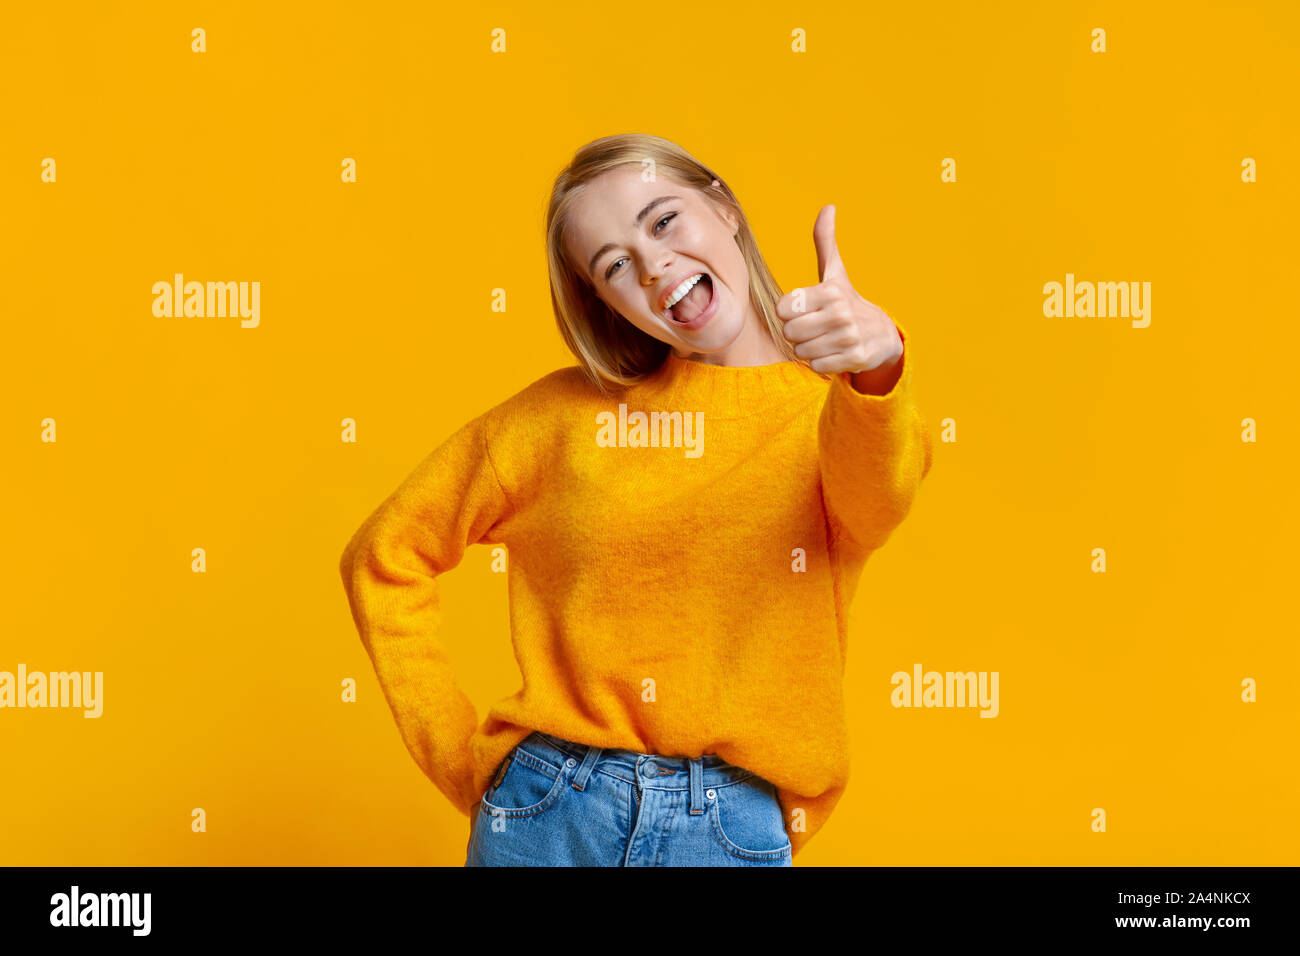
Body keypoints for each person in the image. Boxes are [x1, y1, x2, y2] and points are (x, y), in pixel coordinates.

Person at [338, 133, 934, 866]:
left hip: (726, 832)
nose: (654, 267)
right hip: (546, 815)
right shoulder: (559, 418)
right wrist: (467, 764)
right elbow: (384, 556)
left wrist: (877, 368)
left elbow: (878, 499)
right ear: (605, 301)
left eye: (663, 222)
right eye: (615, 265)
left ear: (724, 208)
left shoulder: (840, 417)